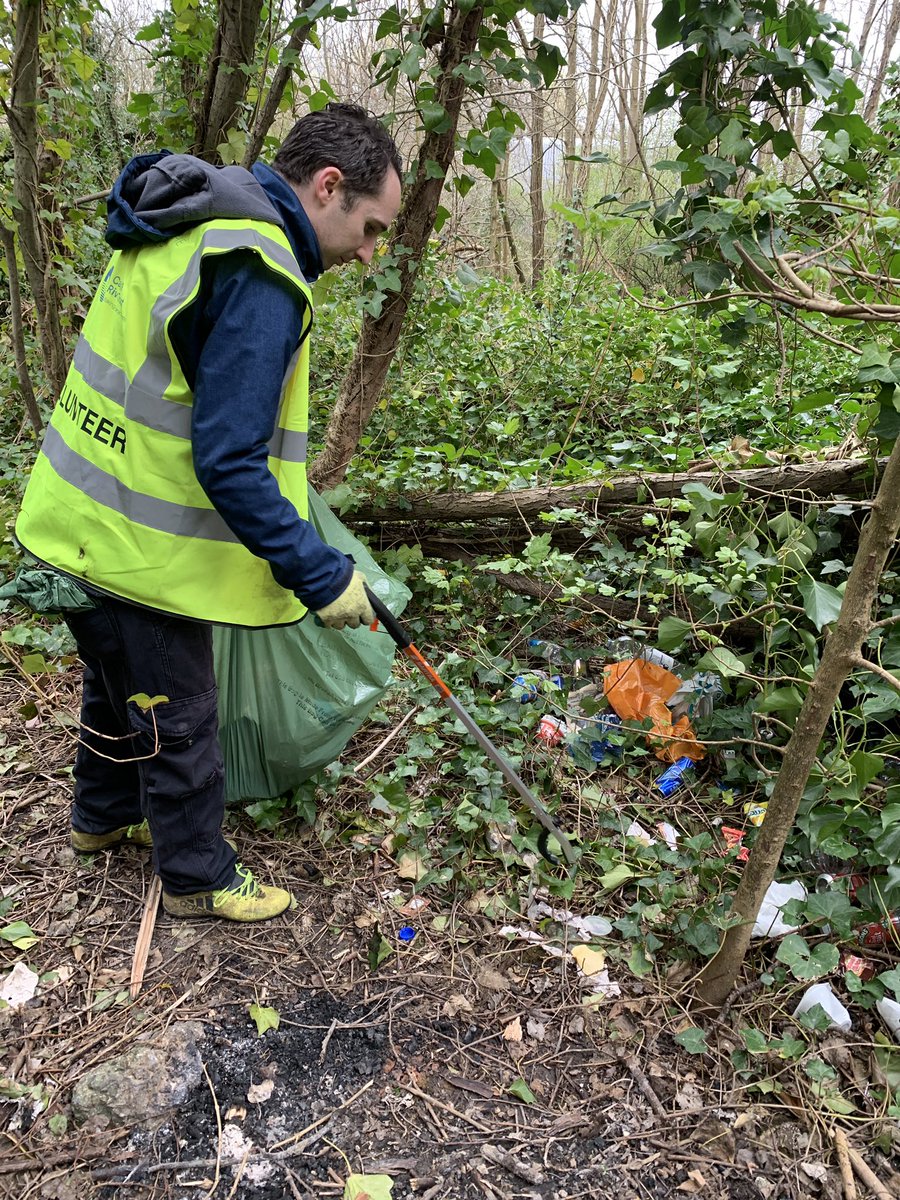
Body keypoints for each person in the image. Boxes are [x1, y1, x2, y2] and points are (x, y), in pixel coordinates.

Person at [15, 103, 403, 922]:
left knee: (116, 682)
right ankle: (196, 875)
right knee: (179, 710)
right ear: (328, 187)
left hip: (78, 513)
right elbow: (230, 461)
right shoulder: (259, 270)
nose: (371, 253)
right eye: (370, 228)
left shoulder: (199, 215)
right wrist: (320, 574)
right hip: (139, 546)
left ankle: (99, 820)